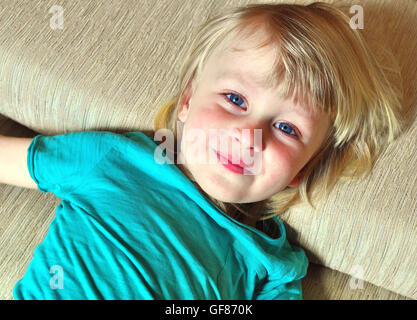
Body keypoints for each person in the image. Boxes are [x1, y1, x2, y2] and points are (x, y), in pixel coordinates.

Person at [3, 2, 402, 299]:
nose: (249, 137)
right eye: (235, 99)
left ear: (301, 170)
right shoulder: (110, 159)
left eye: (286, 128)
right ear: (188, 99)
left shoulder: (272, 265)